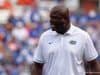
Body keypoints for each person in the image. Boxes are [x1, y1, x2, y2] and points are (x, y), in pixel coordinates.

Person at [31, 5, 100, 75]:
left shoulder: (83, 36)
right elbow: (37, 65)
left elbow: (93, 64)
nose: (52, 27)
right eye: (51, 23)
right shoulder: (45, 36)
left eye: (56, 24)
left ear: (66, 20)